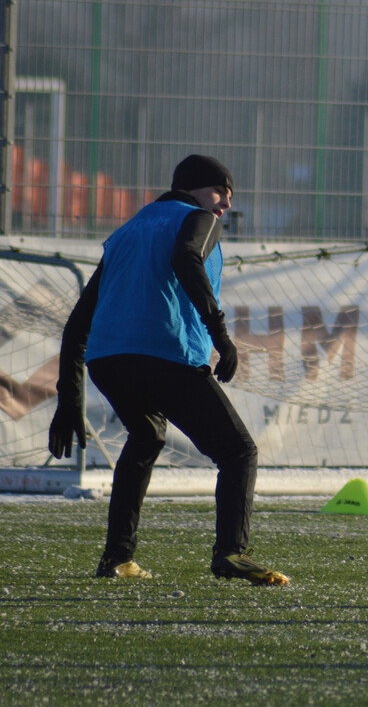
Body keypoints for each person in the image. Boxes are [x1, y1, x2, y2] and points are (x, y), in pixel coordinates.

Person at [48, 154, 289, 586]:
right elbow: (186, 258)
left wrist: (70, 400)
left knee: (145, 437)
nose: (225, 206)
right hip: (164, 354)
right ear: (196, 187)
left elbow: (78, 323)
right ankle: (231, 553)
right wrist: (221, 336)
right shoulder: (197, 218)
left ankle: (117, 559)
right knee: (238, 452)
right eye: (222, 193)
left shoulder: (127, 232)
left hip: (109, 361)